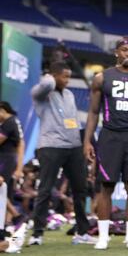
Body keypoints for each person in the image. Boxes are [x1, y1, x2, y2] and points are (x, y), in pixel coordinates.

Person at [83, 37, 128, 250]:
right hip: (109, 136)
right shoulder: (102, 78)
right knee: (106, 187)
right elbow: (93, 112)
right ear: (116, 52)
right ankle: (103, 236)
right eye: (124, 50)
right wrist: (87, 141)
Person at [29, 61, 93, 246]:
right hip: (50, 146)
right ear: (53, 75)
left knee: (80, 189)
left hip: (73, 147)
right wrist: (50, 76)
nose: (67, 80)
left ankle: (82, 232)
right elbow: (46, 84)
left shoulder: (70, 94)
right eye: (64, 76)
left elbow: (73, 121)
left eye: (69, 76)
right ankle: (37, 234)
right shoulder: (41, 93)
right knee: (45, 189)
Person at [0, 101, 24, 215]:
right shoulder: (15, 121)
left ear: (3, 110)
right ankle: (7, 223)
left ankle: (17, 216)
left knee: (2, 190)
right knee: (6, 192)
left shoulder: (8, 123)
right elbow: (21, 143)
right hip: (10, 159)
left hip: (5, 160)